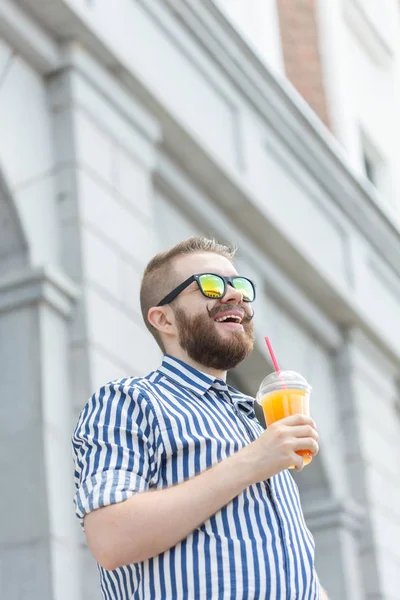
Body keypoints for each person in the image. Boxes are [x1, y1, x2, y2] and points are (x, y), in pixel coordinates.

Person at [72, 236, 323, 599]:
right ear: (164, 319)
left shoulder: (256, 428)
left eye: (239, 286)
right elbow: (111, 538)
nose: (234, 295)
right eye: (210, 285)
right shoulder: (130, 401)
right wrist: (253, 462)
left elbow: (295, 574)